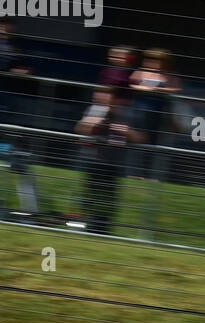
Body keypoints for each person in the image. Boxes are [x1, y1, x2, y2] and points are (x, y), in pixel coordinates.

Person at [75, 87, 144, 234]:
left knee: (108, 198)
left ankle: (102, 228)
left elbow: (141, 138)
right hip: (94, 160)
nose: (112, 103)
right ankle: (83, 224)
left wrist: (127, 131)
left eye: (115, 99)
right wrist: (93, 123)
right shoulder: (95, 111)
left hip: (114, 164)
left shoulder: (128, 116)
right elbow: (79, 129)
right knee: (90, 195)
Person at [129, 48, 181, 178]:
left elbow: (176, 89)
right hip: (140, 113)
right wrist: (145, 88)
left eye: (156, 59)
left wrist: (157, 89)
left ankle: (151, 175)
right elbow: (130, 84)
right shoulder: (140, 72)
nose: (151, 62)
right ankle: (135, 173)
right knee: (138, 141)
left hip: (160, 114)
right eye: (149, 58)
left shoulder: (169, 75)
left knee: (155, 144)